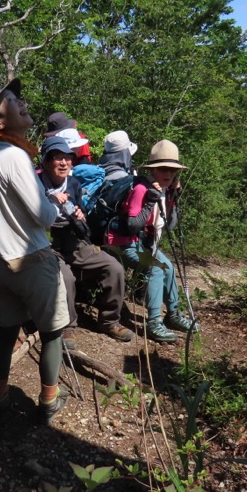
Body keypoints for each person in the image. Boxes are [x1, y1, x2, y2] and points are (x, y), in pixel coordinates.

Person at [0, 78, 70, 424]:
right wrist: (55, 206)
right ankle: (49, 401)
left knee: (8, 331)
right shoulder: (15, 155)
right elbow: (43, 215)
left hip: (0, 263)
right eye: (11, 101)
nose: (21, 102)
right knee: (52, 332)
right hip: (32, 262)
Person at [38, 135, 134, 347]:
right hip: (46, 241)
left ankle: (109, 321)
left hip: (74, 239)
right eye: (57, 158)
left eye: (67, 158)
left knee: (114, 268)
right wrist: (50, 199)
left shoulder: (73, 183)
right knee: (66, 278)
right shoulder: (35, 184)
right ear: (45, 162)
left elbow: (81, 209)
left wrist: (81, 215)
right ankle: (67, 327)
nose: (63, 162)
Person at [105, 140, 197, 343]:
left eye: (173, 170)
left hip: (143, 244)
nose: (169, 173)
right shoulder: (142, 189)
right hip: (121, 243)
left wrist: (173, 196)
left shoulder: (163, 189)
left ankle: (172, 315)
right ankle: (154, 323)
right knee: (155, 269)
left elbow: (170, 225)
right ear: (153, 170)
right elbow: (132, 226)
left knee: (169, 268)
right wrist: (149, 202)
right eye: (163, 169)